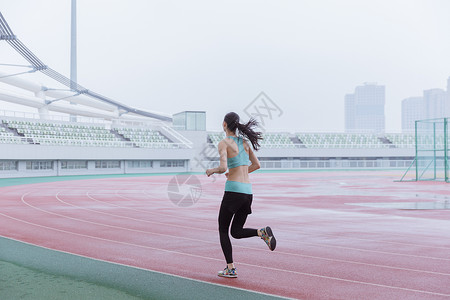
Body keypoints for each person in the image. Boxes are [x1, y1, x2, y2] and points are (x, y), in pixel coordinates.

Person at [206, 112, 276, 278]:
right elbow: (256, 165)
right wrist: (234, 172)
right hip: (247, 193)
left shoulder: (224, 143)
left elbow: (222, 168)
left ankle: (230, 268)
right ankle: (262, 232)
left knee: (223, 230)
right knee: (236, 231)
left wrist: (212, 170)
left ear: (224, 124)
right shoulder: (245, 143)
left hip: (233, 192)